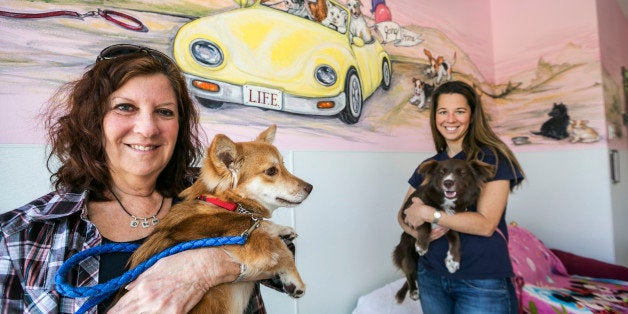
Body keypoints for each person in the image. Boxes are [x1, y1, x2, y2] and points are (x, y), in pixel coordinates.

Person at [0, 44, 282, 313]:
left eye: (164, 112)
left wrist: (204, 267)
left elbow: (281, 253)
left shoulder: (217, 194)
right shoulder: (19, 235)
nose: (147, 129)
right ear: (93, 121)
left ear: (179, 127)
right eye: (125, 107)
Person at [398, 80, 525, 313]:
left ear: (473, 116)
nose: (450, 119)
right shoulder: (431, 166)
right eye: (443, 112)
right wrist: (420, 233)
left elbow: (486, 224)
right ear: (435, 117)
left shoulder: (493, 159)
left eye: (460, 111)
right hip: (431, 277)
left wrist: (430, 214)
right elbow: (404, 214)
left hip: (481, 281)